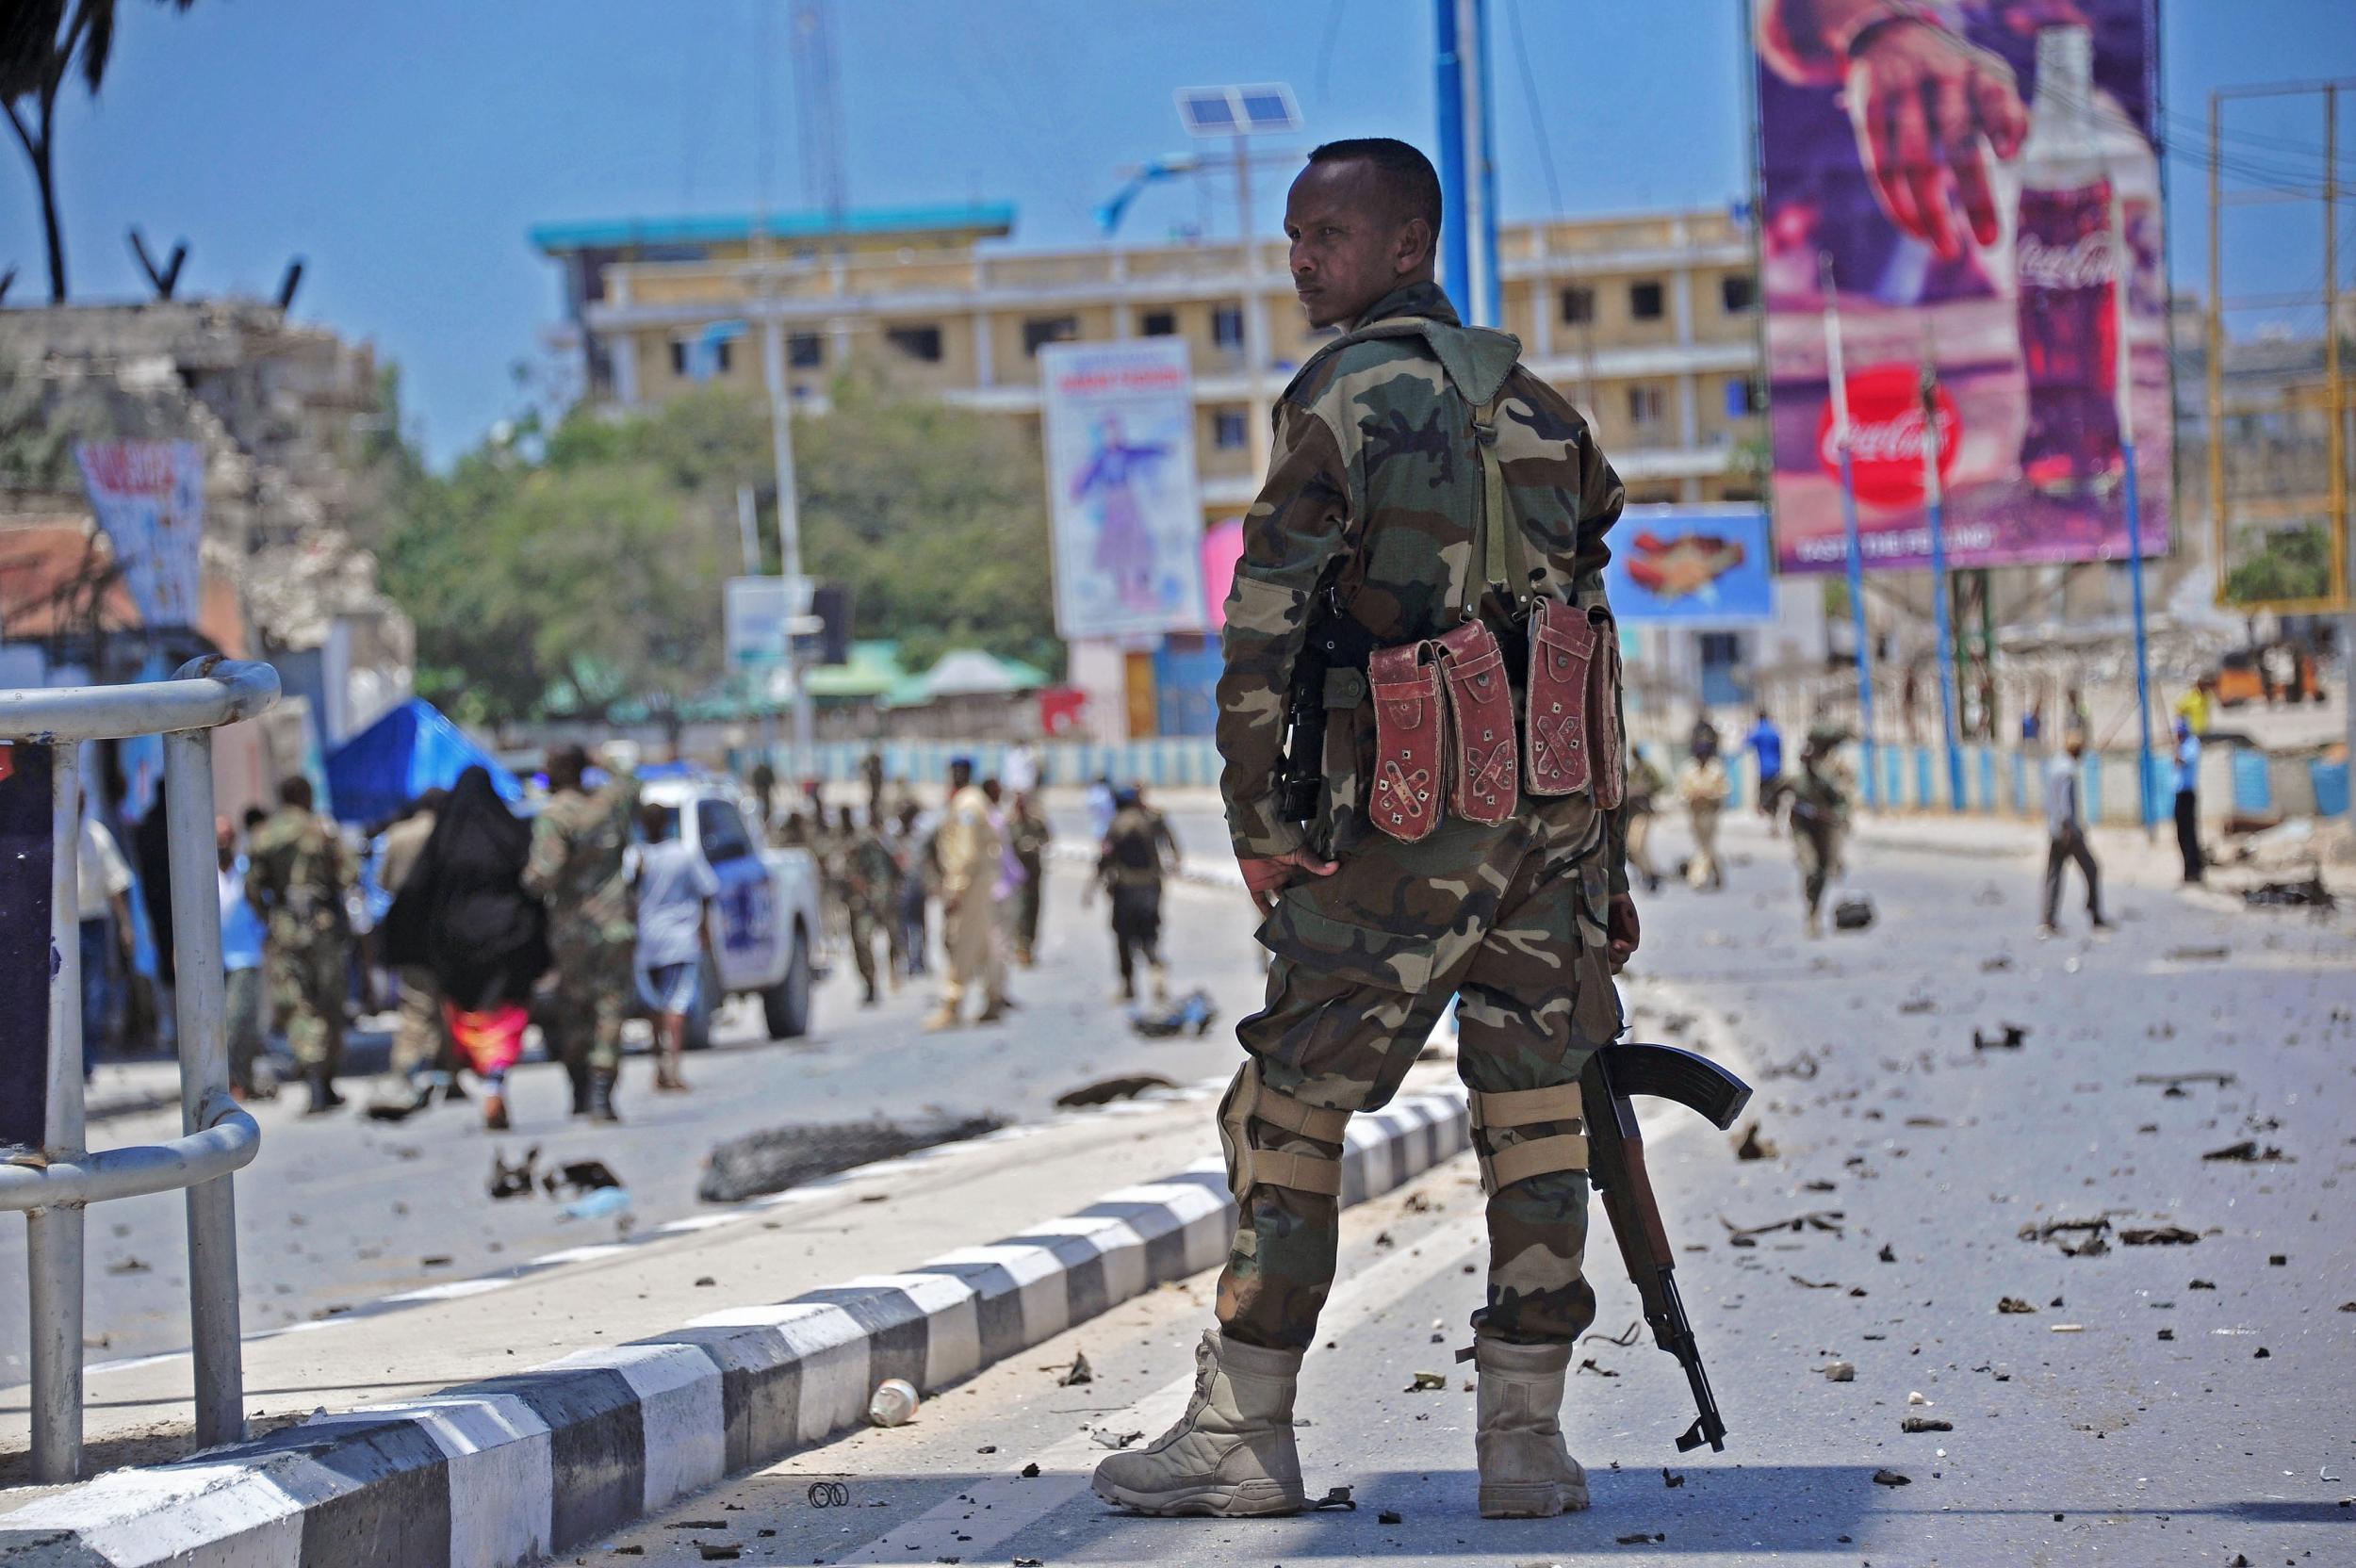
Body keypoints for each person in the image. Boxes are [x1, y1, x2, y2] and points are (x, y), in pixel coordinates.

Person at [1092, 138, 1632, 1523]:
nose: (1301, 261)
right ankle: (1525, 1444)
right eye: (1292, 237)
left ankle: (1244, 1432)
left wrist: (1257, 817)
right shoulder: (1547, 410)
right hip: (1551, 828)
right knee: (1533, 1112)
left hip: (1402, 822)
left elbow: (1265, 617)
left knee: (1288, 1108)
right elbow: (1589, 641)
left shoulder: (1337, 396)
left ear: (1409, 245)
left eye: (1327, 234)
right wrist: (1604, 863)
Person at [382, 767, 549, 1130]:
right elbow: (534, 889)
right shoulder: (511, 835)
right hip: (508, 942)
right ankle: (496, 1080)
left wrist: (403, 943)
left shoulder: (443, 842)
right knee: (504, 1016)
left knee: (469, 1019)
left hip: (456, 948)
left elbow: (415, 896)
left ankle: (476, 1073)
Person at [522, 743, 639, 1122]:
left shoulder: (554, 816)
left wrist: (526, 882)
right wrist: (599, 760)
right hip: (615, 924)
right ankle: (603, 1093)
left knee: (574, 1010)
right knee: (610, 1006)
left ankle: (581, 1090)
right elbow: (630, 780)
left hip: (574, 930)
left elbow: (544, 874)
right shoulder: (606, 805)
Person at [246, 776, 355, 1113]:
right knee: (328, 1001)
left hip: (286, 928)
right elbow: (348, 874)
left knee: (298, 1004)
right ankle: (324, 1079)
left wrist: (271, 916)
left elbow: (252, 887)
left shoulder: (264, 835)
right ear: (305, 795)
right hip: (322, 926)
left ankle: (313, 1077)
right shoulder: (323, 830)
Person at [631, 798, 717, 1088]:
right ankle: (673, 1067)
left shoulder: (636, 856)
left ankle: (661, 1067)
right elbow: (708, 891)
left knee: (656, 1008)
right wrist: (704, 929)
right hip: (676, 941)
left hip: (649, 942)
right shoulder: (681, 854)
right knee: (675, 1007)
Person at [374, 788, 451, 1107]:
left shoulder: (398, 835)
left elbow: (384, 882)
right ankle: (446, 1070)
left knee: (415, 1004)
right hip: (445, 927)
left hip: (408, 928)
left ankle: (405, 1066)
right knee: (447, 1002)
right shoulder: (449, 831)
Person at [924, 758, 1007, 1030]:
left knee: (961, 940)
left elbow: (966, 851)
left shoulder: (967, 804)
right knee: (982, 941)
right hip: (978, 881)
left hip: (970, 883)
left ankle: (953, 1004)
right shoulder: (970, 800)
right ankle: (993, 995)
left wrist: (956, 888)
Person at [1765, 725, 1852, 938]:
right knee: (1810, 868)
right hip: (1803, 830)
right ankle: (1811, 914)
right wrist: (1774, 817)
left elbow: (1840, 803)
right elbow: (1772, 795)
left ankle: (1815, 910)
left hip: (1824, 830)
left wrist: (1837, 818)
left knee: (1823, 871)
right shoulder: (1795, 780)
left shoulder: (1828, 776)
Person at [1097, 785, 1178, 1004]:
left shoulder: (1117, 824)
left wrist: (1094, 885)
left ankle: (1128, 986)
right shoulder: (1151, 819)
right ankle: (1158, 977)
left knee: (1124, 939)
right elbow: (1171, 842)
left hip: (1125, 890)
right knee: (1149, 935)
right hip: (1151, 887)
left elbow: (1104, 857)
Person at [216, 816, 270, 1100]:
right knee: (217, 1024)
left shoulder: (247, 872)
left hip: (245, 956)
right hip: (212, 960)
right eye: (217, 836)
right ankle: (227, 1082)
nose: (221, 842)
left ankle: (239, 1079)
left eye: (226, 836)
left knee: (238, 1021)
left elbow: (264, 906)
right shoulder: (202, 872)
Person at [2040, 729, 2109, 937]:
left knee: (2054, 873)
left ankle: (2048, 918)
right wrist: (2069, 827)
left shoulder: (2054, 766)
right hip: (2067, 831)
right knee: (2092, 868)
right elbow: (2065, 804)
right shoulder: (2068, 771)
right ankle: (2095, 912)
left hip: (2055, 829)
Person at [837, 803, 899, 1006]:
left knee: (873, 938)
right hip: (854, 903)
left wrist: (875, 896)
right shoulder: (839, 840)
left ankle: (890, 973)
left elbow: (881, 873)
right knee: (859, 944)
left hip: (870, 902)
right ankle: (870, 983)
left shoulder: (866, 843)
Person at [1678, 729, 1731, 890]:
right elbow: (1681, 793)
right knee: (1704, 846)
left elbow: (1725, 791)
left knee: (1705, 847)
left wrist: (1709, 795)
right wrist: (1692, 796)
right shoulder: (1689, 770)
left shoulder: (1716, 769)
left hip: (1710, 813)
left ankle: (1697, 878)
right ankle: (1719, 875)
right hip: (1695, 813)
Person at [1005, 789, 1051, 968]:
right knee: (1019, 911)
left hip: (1034, 874)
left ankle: (1029, 945)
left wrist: (1034, 844)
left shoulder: (1036, 822)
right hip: (1016, 877)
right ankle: (1021, 947)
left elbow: (1046, 838)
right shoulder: (1009, 824)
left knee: (1033, 910)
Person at [889, 799, 932, 977]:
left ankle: (918, 961)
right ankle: (904, 960)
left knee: (918, 925)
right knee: (901, 927)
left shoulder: (921, 836)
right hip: (900, 889)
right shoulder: (892, 837)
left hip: (918, 887)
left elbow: (928, 860)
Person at [1622, 747, 1665, 894]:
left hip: (1643, 811)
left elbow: (1659, 784)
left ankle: (1651, 875)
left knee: (1637, 846)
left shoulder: (1647, 769)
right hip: (1632, 812)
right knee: (1634, 847)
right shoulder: (1632, 771)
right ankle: (1648, 874)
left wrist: (1644, 789)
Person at [2171, 715, 2203, 885]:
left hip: (2188, 795)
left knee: (2190, 833)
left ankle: (2194, 870)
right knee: (2181, 835)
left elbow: (2181, 761)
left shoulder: (2192, 744)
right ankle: (2187, 870)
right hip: (2178, 794)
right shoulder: (2182, 745)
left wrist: (2177, 748)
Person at [1744, 709, 1783, 835]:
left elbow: (1745, 744)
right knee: (1775, 797)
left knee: (1764, 798)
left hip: (1764, 770)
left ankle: (1765, 813)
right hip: (1776, 769)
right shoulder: (1775, 731)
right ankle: (1775, 822)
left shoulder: (1758, 731)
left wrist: (1747, 731)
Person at [747, 757, 777, 830]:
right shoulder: (759, 771)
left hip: (764, 791)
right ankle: (763, 824)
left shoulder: (761, 771)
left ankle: (766, 824)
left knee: (765, 808)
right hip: (761, 791)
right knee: (761, 807)